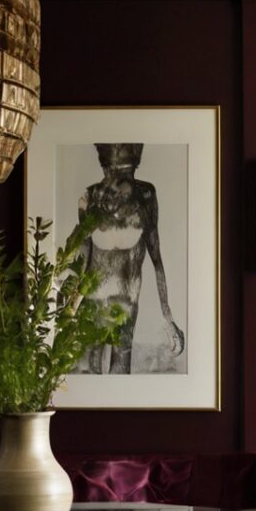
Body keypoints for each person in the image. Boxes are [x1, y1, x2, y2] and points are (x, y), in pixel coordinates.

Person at [77, 142, 185, 374]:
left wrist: (167, 316)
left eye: (123, 173)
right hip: (93, 303)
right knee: (89, 375)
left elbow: (156, 257)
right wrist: (68, 308)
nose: (116, 183)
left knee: (120, 374)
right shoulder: (90, 196)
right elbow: (82, 259)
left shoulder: (145, 195)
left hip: (125, 304)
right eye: (112, 172)